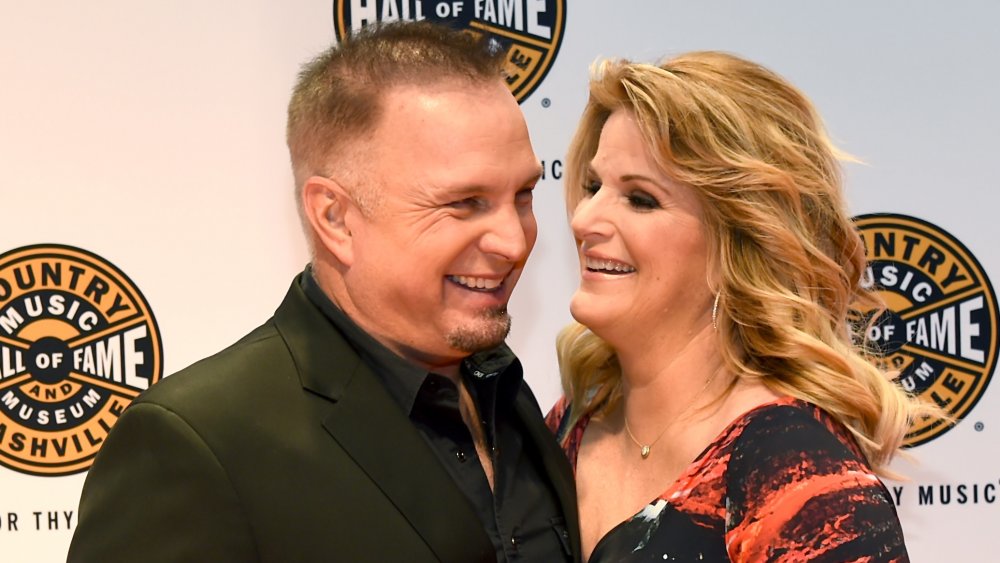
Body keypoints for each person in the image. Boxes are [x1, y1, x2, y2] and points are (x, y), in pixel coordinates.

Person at [69, 21, 579, 563]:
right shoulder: (200, 445)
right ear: (335, 217)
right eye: (463, 203)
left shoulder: (513, 398)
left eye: (522, 195)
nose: (513, 239)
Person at [545, 51, 933, 562]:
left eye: (640, 199)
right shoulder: (569, 422)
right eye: (594, 186)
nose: (584, 219)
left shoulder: (794, 470)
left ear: (736, 241)